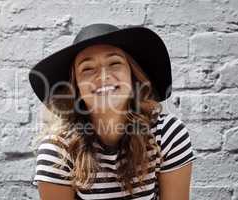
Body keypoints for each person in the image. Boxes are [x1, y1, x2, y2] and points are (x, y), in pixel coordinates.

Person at [28, 23, 196, 200]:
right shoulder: (58, 149)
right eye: (87, 68)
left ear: (133, 76)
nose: (102, 76)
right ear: (75, 87)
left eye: (115, 63)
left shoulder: (167, 133)